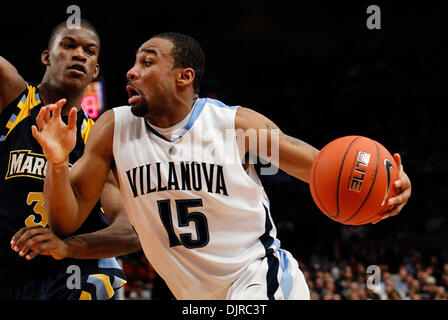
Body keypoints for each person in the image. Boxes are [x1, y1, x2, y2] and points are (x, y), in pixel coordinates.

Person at [32, 32, 412, 300]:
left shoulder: (235, 126)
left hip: (259, 279)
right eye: (133, 63)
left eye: (147, 62)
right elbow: (66, 221)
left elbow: (323, 168)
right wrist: (58, 162)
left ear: (184, 77)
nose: (131, 71)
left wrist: (388, 186)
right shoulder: (114, 129)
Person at [0, 20, 141, 300]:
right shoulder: (14, 99)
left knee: (96, 278)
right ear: (46, 56)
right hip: (7, 268)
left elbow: (130, 232)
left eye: (89, 51)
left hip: (65, 272)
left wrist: (68, 247)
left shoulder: (98, 140)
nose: (79, 54)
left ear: (95, 70)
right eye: (68, 45)